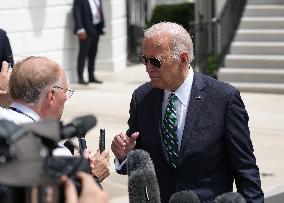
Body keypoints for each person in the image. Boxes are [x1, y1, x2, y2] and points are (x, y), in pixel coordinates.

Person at [111, 22, 264, 203]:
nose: (148, 67)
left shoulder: (224, 98)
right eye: (145, 59)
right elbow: (140, 160)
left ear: (183, 58)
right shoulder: (142, 98)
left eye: (156, 61)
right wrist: (123, 155)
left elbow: (245, 168)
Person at [0, 56, 110, 181]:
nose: (66, 98)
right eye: (66, 91)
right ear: (51, 95)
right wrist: (92, 176)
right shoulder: (55, 155)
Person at [73, 0, 105, 85]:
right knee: (83, 54)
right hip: (85, 30)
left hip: (96, 28)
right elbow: (77, 13)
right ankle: (80, 77)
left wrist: (103, 26)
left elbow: (100, 11)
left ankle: (91, 76)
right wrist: (80, 28)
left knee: (93, 53)